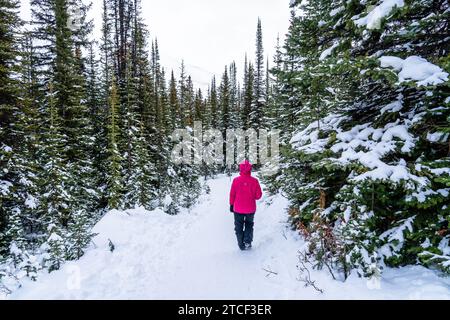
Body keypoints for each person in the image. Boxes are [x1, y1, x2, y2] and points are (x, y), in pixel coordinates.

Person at [229, 160, 263, 251]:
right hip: (250, 208)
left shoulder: (236, 181)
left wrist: (231, 205)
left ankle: (241, 244)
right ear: (250, 169)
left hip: (238, 209)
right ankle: (247, 241)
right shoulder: (254, 181)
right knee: (249, 224)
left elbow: (232, 194)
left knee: (238, 226)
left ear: (240, 169)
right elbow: (258, 196)